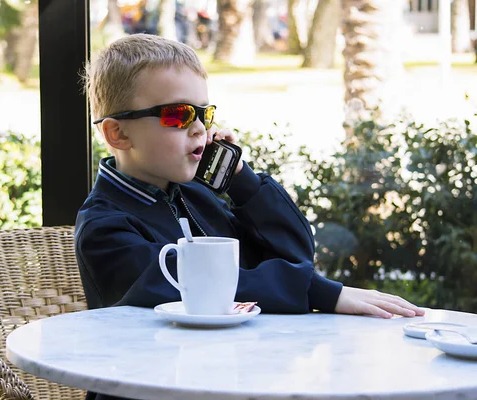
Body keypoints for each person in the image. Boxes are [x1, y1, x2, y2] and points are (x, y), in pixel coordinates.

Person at [75, 33, 424, 400]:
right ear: (117, 133)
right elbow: (201, 290)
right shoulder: (105, 227)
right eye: (178, 115)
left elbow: (296, 253)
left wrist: (243, 181)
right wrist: (317, 291)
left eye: (204, 114)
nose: (199, 129)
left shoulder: (196, 195)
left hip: (226, 378)